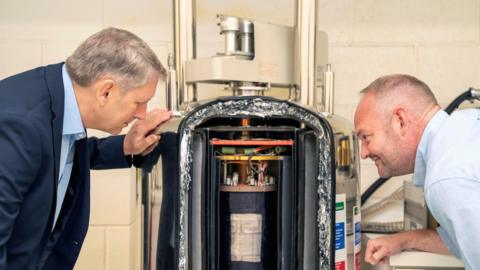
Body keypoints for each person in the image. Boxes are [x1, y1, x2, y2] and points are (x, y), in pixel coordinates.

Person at [0, 27, 172, 270]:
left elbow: (54, 156)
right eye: (139, 102)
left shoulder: (59, 102)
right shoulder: (21, 125)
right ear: (106, 91)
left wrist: (126, 145)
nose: (141, 114)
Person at [355, 74, 480, 269]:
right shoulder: (464, 127)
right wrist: (403, 240)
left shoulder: (447, 178)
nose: (363, 153)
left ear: (401, 121)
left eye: (366, 137)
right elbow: (463, 238)